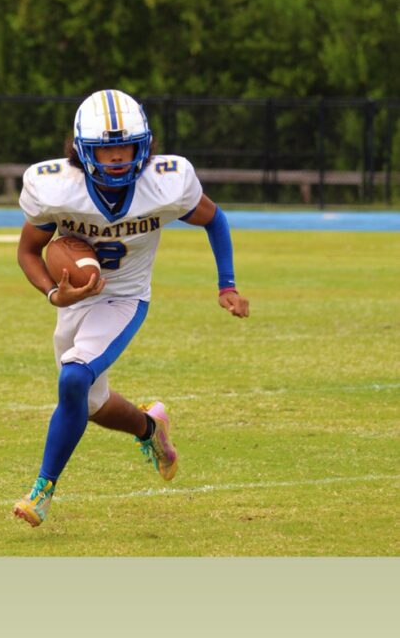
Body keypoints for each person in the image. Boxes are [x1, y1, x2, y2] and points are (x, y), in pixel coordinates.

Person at [13, 88, 249, 527]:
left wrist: (227, 284)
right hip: (76, 302)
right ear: (83, 152)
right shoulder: (58, 190)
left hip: (124, 297)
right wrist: (53, 293)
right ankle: (150, 429)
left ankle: (41, 492)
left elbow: (214, 217)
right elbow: (28, 251)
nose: (118, 158)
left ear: (145, 146)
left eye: (126, 147)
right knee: (90, 401)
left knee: (74, 378)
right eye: (106, 149)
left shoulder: (164, 184)